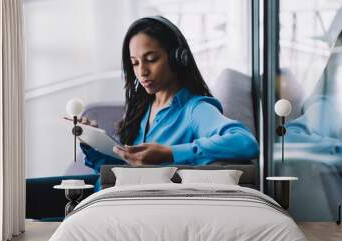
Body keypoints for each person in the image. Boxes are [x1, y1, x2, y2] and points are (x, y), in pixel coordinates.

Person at [81, 16, 259, 172]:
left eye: (151, 59)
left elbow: (245, 142)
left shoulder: (195, 110)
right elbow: (123, 170)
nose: (142, 71)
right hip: (109, 199)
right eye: (135, 63)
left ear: (178, 58)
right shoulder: (141, 109)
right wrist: (92, 144)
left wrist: (170, 153)